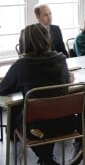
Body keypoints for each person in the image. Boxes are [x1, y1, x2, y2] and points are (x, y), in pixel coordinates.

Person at [0, 24, 75, 165]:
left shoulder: (22, 65)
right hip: (65, 124)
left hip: (36, 129)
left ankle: (47, 160)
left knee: (18, 115)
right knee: (47, 111)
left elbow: (2, 89)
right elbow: (66, 80)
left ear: (23, 43)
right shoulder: (60, 59)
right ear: (47, 39)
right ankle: (47, 160)